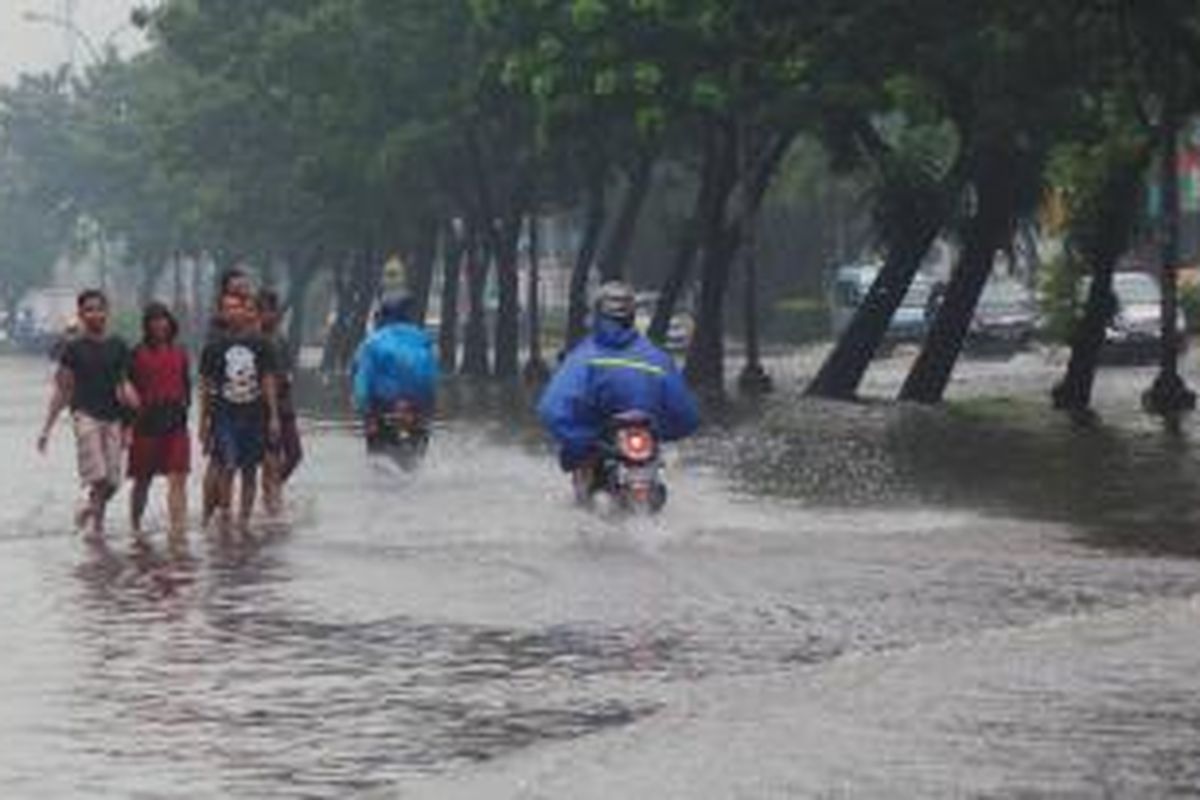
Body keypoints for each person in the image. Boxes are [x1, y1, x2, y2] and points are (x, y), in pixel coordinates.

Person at [537, 281, 699, 491]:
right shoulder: (658, 359)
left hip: (599, 446)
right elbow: (687, 416)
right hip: (638, 448)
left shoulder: (582, 358)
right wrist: (658, 434)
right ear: (631, 317)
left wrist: (580, 439)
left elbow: (551, 409)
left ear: (597, 316)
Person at [37, 290, 138, 538]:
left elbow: (124, 383)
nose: (95, 314)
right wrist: (46, 429)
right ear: (81, 314)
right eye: (89, 310)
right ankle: (95, 523)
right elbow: (62, 390)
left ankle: (92, 516)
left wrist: (131, 414)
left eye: (99, 309)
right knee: (99, 475)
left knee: (113, 481)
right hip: (85, 415)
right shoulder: (73, 349)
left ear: (107, 312)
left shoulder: (119, 345)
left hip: (113, 416)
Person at [199, 292, 280, 531]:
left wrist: (274, 416)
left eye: (238, 307)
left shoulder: (262, 344)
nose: (234, 312)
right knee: (228, 464)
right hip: (225, 415)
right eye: (228, 308)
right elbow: (206, 386)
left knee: (250, 469)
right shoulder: (213, 347)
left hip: (255, 415)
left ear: (247, 311)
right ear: (221, 313)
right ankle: (225, 512)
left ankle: (244, 521)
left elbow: (268, 380)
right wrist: (203, 420)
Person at [127, 302, 191, 541]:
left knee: (178, 476)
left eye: (163, 319)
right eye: (154, 320)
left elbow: (186, 386)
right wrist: (128, 426)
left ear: (170, 322)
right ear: (147, 325)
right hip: (146, 424)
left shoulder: (181, 352)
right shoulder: (136, 353)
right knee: (143, 479)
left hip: (176, 422)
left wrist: (184, 409)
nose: (159, 324)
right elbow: (127, 390)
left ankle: (178, 530)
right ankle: (135, 527)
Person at [351, 293, 438, 453]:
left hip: (381, 410)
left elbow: (362, 383)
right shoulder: (424, 340)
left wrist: (364, 412)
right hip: (417, 410)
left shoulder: (371, 342)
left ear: (382, 317)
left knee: (378, 466)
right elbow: (432, 378)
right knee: (415, 468)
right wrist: (428, 410)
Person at [257, 289, 302, 514]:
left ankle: (271, 491)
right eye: (263, 310)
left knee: (294, 454)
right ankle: (271, 502)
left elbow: (287, 371)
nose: (268, 315)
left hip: (285, 403)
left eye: (272, 310)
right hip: (264, 408)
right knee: (270, 458)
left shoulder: (281, 338)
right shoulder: (257, 340)